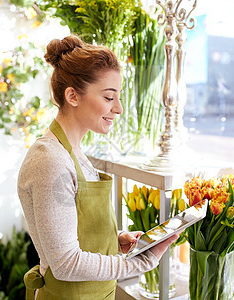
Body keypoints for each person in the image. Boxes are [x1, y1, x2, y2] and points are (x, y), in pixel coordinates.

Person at [17, 35, 179, 300]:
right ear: (72, 96)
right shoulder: (50, 160)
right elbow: (65, 262)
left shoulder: (73, 151)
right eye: (108, 97)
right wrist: (139, 263)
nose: (119, 108)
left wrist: (113, 239)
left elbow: (70, 225)